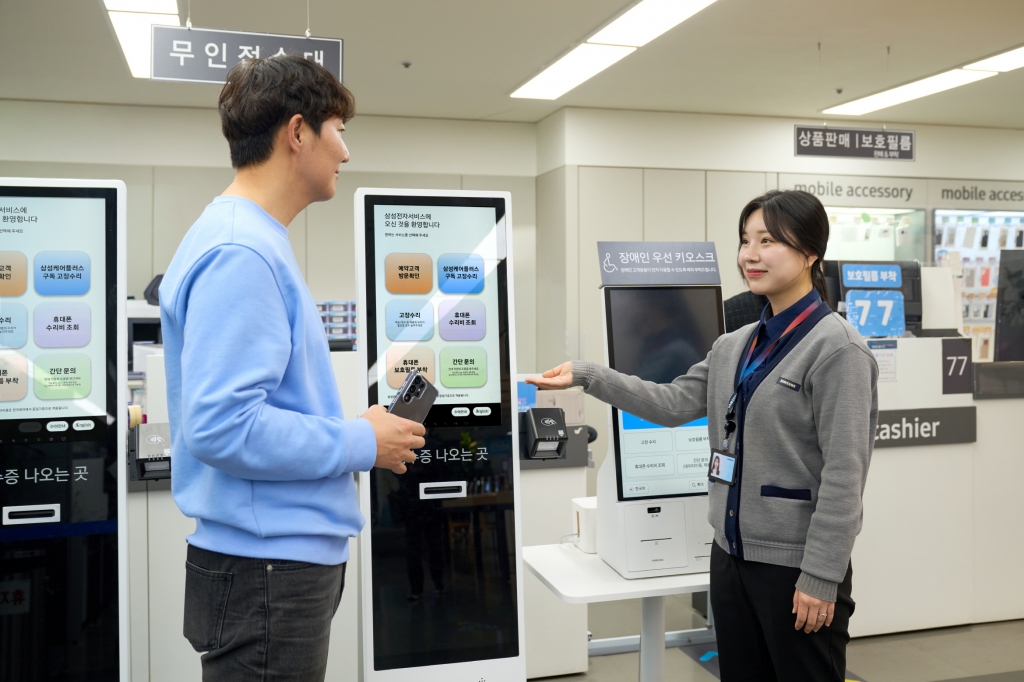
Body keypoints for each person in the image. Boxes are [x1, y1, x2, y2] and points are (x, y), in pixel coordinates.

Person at [528, 189, 877, 682]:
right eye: (744, 240)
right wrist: (589, 376)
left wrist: (820, 576)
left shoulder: (838, 349)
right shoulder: (734, 345)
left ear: (811, 253)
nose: (750, 255)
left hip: (795, 570)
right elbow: (671, 404)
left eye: (769, 241)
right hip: (730, 557)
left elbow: (845, 477)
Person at [160, 55, 426, 682]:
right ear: (298, 132)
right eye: (338, 130)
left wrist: (357, 428)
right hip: (267, 572)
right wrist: (362, 440)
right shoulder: (240, 252)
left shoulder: (249, 239)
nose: (346, 153)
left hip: (269, 567)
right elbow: (223, 427)